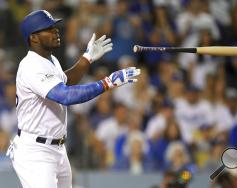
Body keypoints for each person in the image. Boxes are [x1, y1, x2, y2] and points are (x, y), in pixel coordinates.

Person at [6, 10, 140, 188]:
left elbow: (65, 81)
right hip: (36, 152)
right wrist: (107, 82)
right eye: (48, 29)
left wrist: (87, 58)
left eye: (54, 27)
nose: (55, 31)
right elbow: (65, 95)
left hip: (57, 148)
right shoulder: (31, 66)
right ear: (34, 37)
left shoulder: (50, 59)